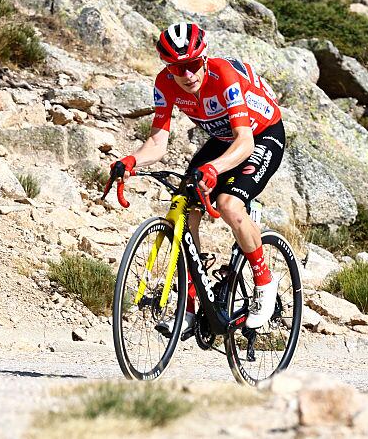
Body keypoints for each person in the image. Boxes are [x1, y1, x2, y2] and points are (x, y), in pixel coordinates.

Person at [113, 21, 286, 338]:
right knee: (184, 205)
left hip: (260, 135)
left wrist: (214, 169)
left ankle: (264, 281)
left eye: (193, 65)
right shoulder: (165, 83)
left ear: (204, 58)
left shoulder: (223, 75)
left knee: (229, 205)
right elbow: (157, 142)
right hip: (223, 139)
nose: (188, 75)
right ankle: (192, 304)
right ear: (168, 67)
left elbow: (244, 142)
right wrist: (130, 160)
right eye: (179, 68)